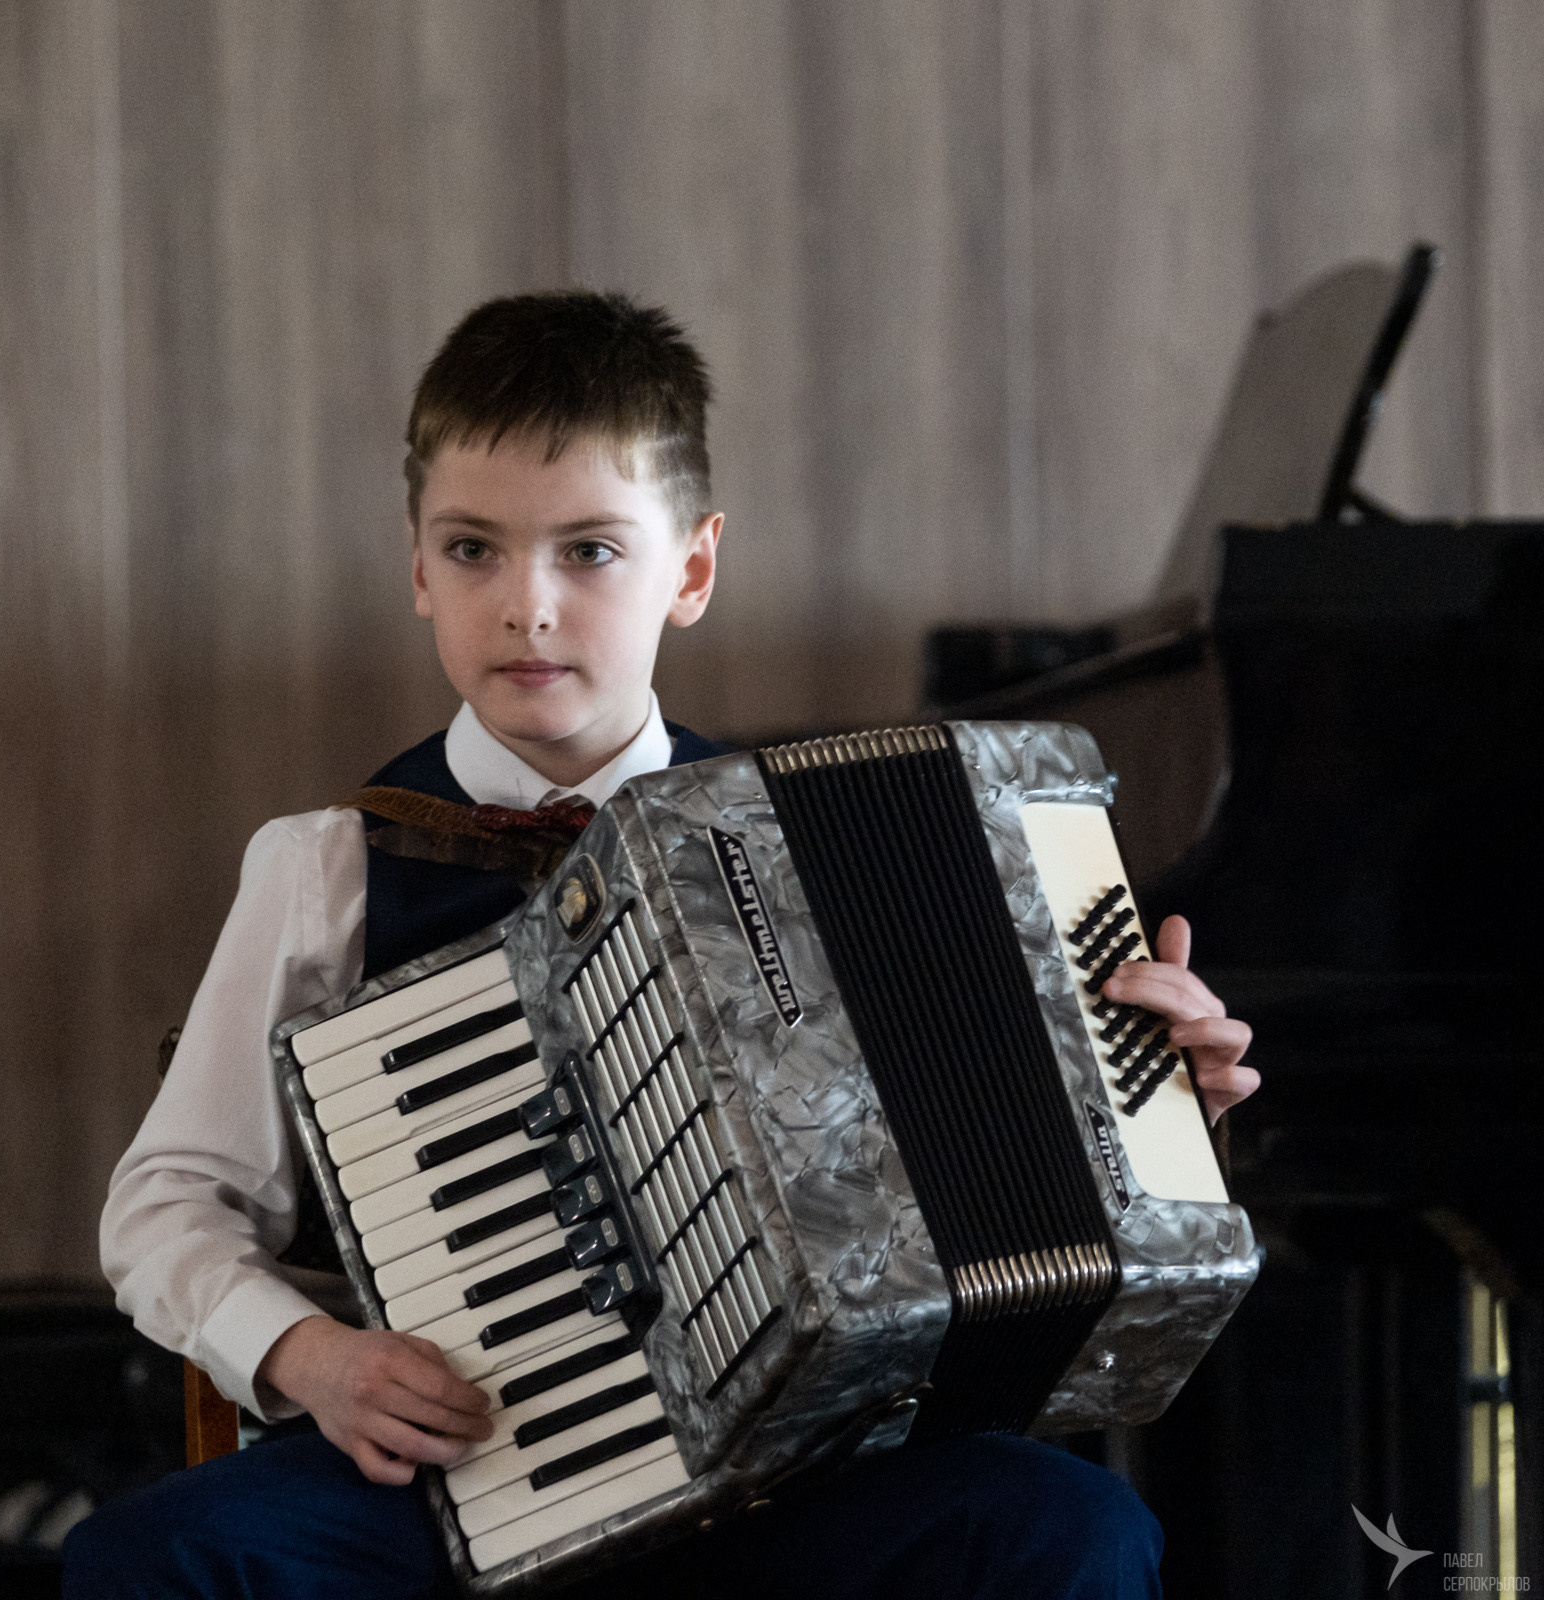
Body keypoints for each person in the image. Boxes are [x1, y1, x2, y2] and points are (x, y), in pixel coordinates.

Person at [64, 291, 1261, 1600]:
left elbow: (1013, 1154)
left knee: (1067, 1529)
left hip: (795, 1479)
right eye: (474, 550)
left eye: (589, 551)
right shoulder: (331, 864)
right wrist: (307, 1357)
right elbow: (165, 1203)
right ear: (414, 567)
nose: (528, 607)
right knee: (155, 1559)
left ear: (691, 569)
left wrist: (1150, 1103)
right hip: (475, 1474)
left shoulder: (838, 843)